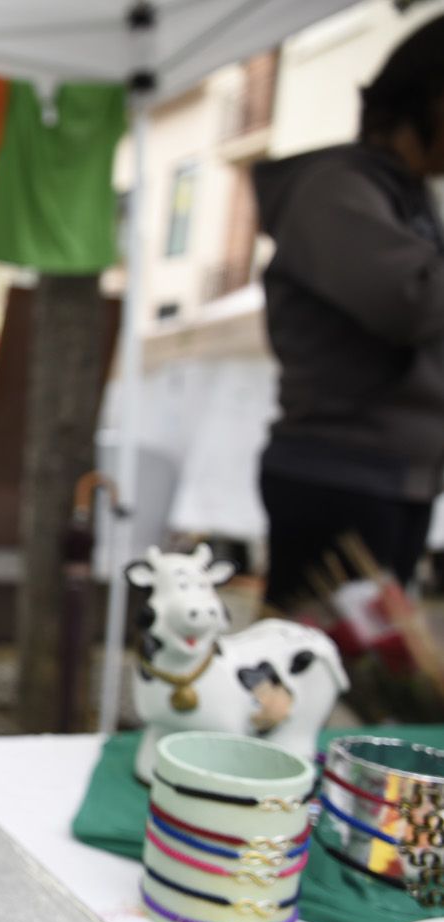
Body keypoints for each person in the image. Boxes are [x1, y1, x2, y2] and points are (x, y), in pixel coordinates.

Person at [253, 14, 444, 609]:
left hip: (400, 474)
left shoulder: (409, 196)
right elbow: (407, 302)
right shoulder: (335, 186)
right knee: (311, 678)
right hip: (339, 473)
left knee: (373, 682)